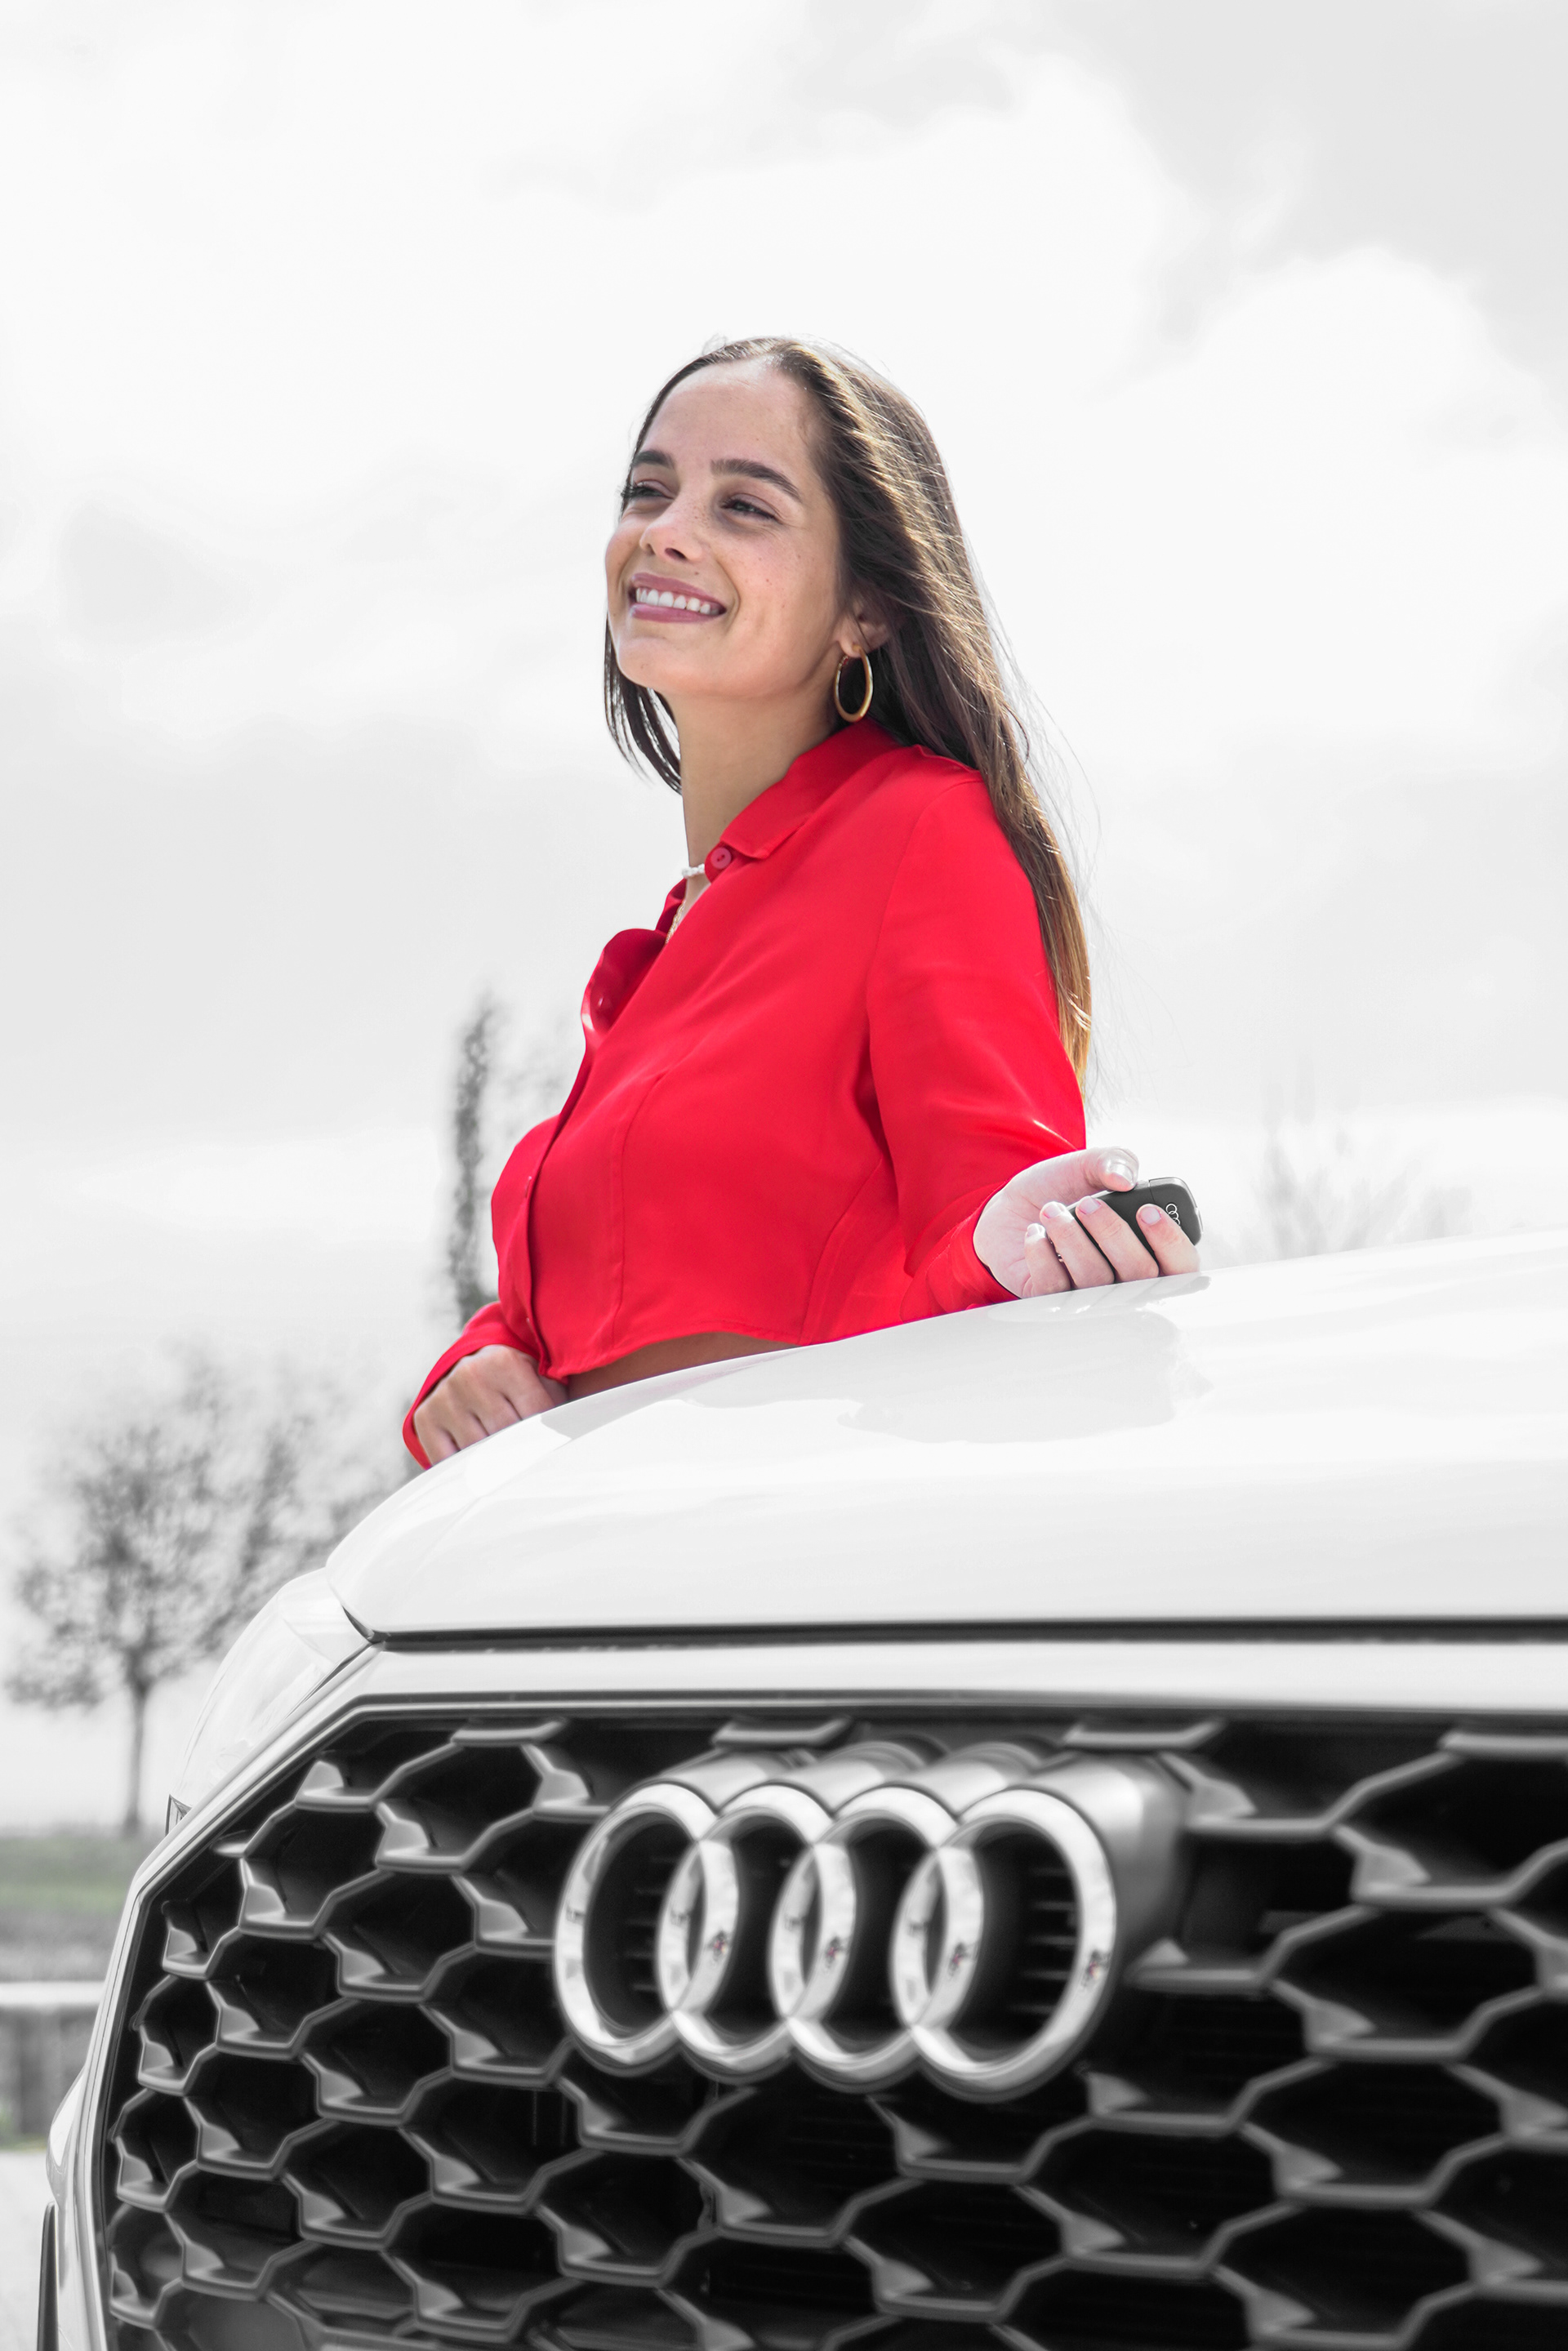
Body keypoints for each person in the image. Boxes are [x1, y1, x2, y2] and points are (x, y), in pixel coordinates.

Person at [405, 337, 1198, 1467]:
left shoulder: (922, 829)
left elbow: (989, 1221)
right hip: (613, 1551)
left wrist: (1042, 1255)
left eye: (744, 506)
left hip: (799, 1536)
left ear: (865, 606)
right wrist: (485, 1361)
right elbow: (608, 1294)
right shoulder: (665, 955)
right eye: (649, 490)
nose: (667, 530)